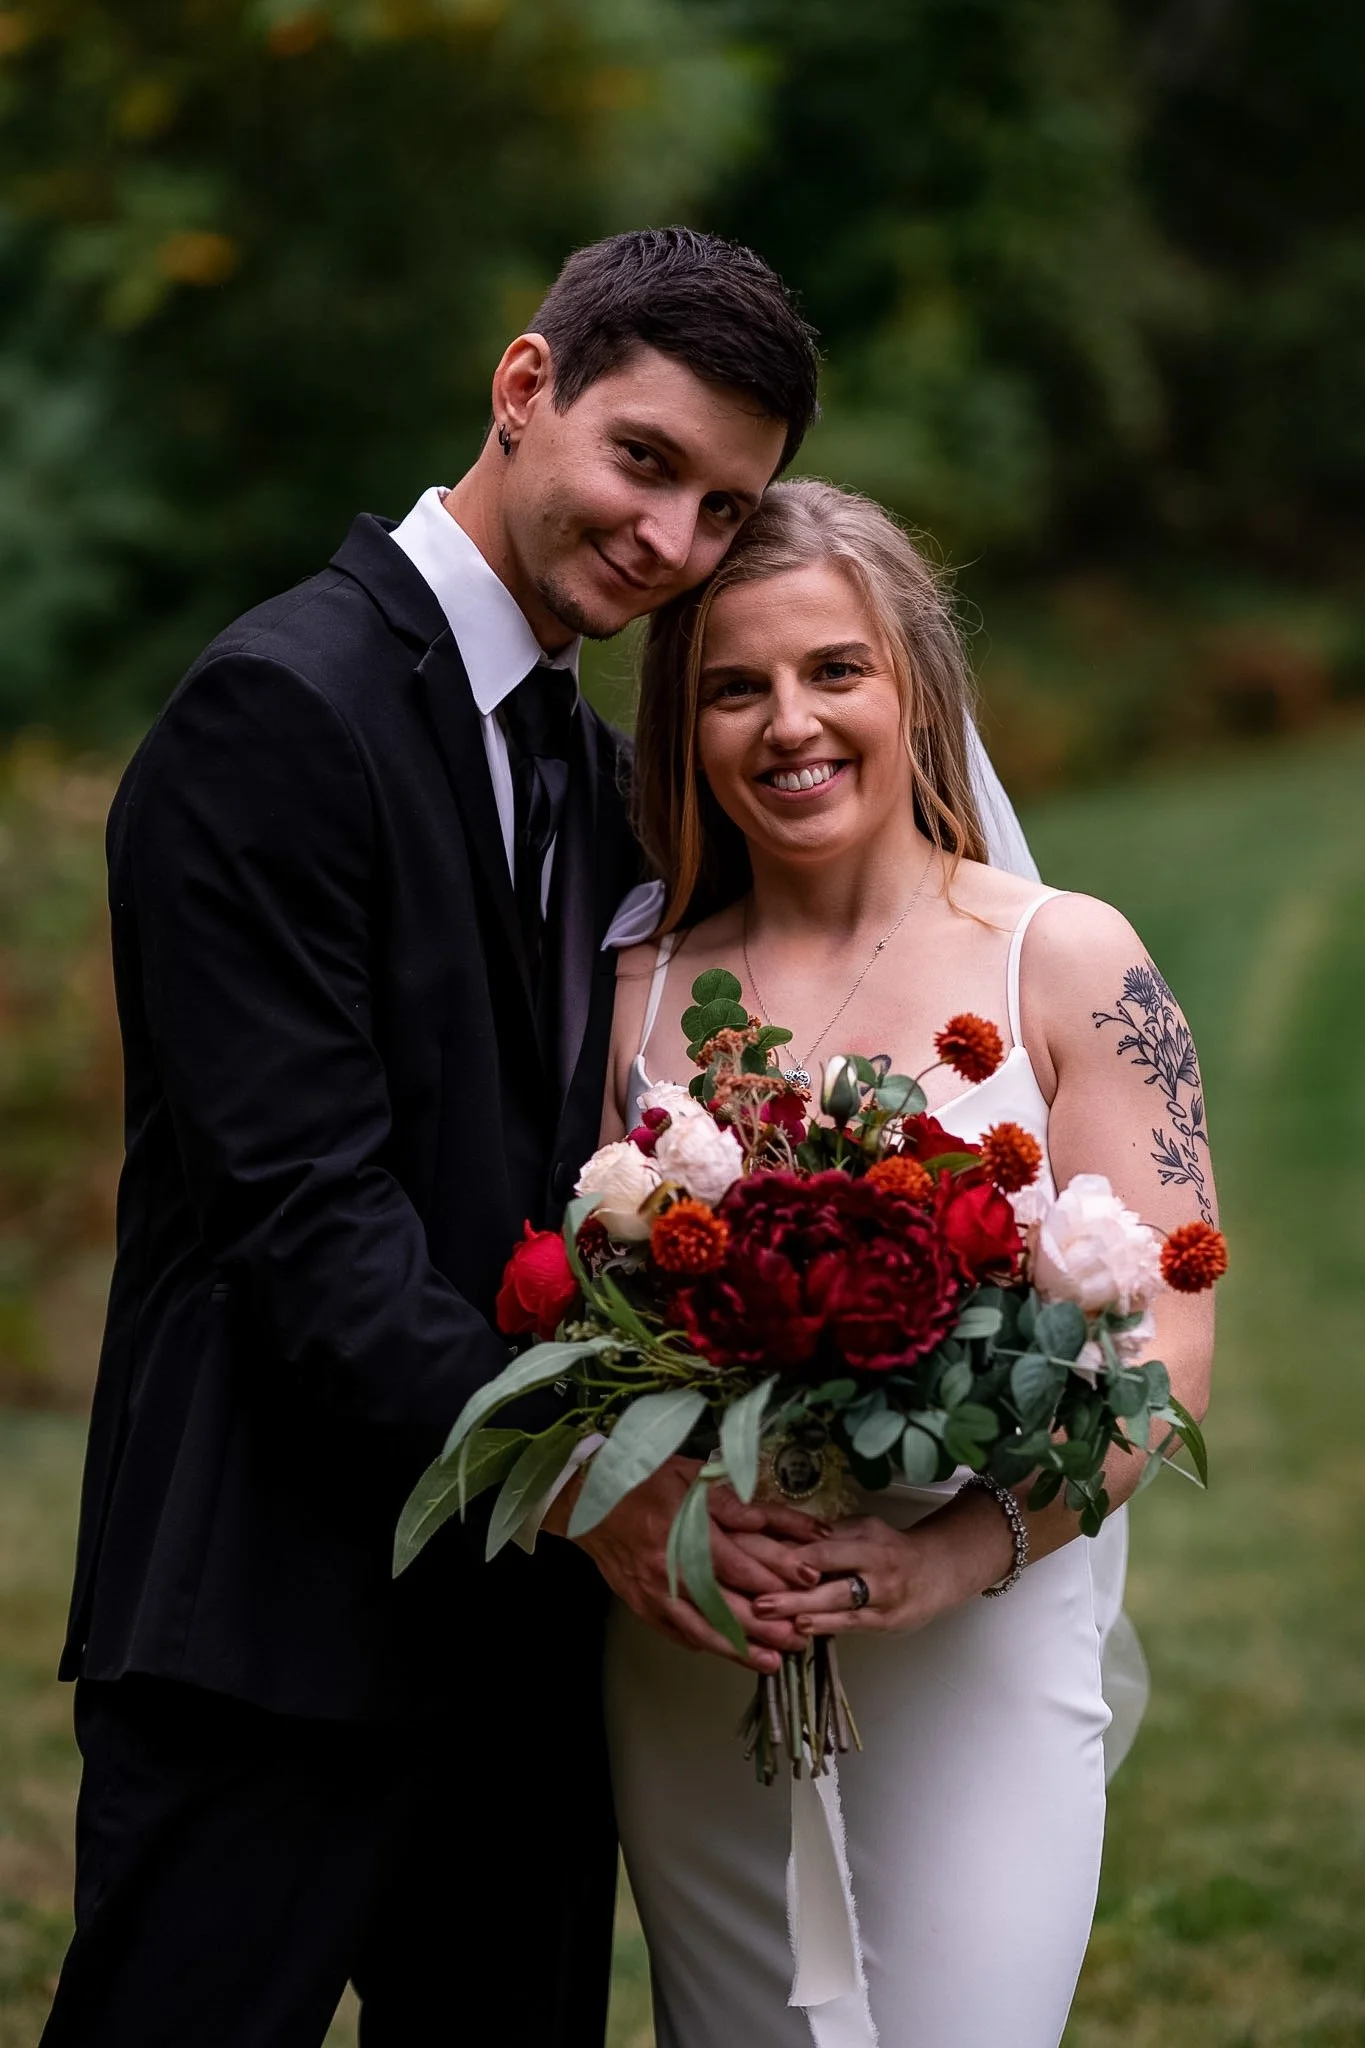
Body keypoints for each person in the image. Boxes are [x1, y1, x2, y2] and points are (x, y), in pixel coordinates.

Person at [42, 227, 837, 2048]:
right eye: (647, 463)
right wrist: (601, 1488)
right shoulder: (279, 711)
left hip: (517, 1645)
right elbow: (305, 1221)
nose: (671, 544)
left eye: (724, 511)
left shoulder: (578, 754)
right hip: (269, 1613)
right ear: (525, 384)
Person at [599, 478, 1217, 2048]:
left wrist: (956, 1555)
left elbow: (1167, 1351)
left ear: (916, 688)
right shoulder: (632, 986)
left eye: (833, 671)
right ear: (686, 722)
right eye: (734, 687)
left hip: (977, 1625)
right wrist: (653, 1498)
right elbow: (565, 1292)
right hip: (706, 1642)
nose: (787, 724)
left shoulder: (1069, 960)